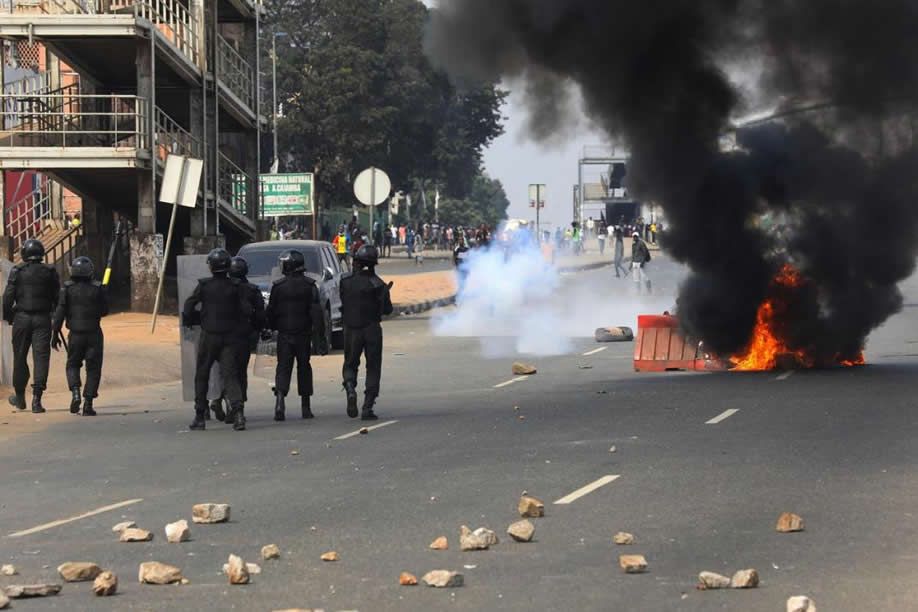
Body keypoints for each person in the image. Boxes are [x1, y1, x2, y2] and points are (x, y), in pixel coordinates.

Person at [182, 248, 250, 431]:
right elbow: (246, 310)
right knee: (230, 375)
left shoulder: (204, 286)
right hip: (230, 337)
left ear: (211, 267)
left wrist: (194, 320)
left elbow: (188, 306)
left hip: (209, 336)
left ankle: (200, 416)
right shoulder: (236, 286)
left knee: (202, 374)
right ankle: (238, 414)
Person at [266, 250, 324, 421]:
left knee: (283, 367)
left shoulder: (278, 287)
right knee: (304, 367)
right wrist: (320, 337)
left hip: (284, 334)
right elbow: (317, 314)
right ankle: (306, 407)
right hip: (303, 334)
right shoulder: (310, 286)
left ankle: (279, 402)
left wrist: (270, 327)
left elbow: (271, 311)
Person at [3, 239, 60, 413]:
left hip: (21, 318)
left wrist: (9, 317)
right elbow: (58, 299)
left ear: (24, 254)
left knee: (19, 358)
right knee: (41, 358)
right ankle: (37, 399)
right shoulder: (50, 271)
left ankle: (20, 397)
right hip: (43, 319)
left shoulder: (17, 271)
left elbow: (8, 297)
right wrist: (57, 321)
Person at [206, 256, 266, 422]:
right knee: (238, 372)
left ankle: (220, 400)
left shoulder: (219, 287)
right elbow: (260, 315)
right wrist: (259, 329)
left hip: (221, 335)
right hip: (243, 337)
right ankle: (237, 407)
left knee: (225, 370)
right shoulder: (251, 290)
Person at [340, 245, 393, 421]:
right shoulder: (379, 284)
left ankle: (350, 388)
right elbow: (387, 310)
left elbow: (344, 301)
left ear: (357, 262)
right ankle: (367, 407)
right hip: (372, 330)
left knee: (350, 364)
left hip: (351, 329)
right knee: (373, 367)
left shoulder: (345, 282)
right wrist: (382, 297)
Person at [51, 256, 108, 416]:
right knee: (93, 368)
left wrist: (55, 333)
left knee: (73, 365)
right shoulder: (98, 288)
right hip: (94, 334)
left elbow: (60, 313)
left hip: (75, 335)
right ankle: (88, 403)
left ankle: (75, 392)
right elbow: (104, 311)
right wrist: (102, 296)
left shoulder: (67, 289)